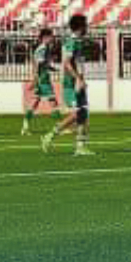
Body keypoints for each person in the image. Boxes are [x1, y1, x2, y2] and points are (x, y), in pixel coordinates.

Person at [41, 14, 93, 156]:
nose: (87, 28)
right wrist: (78, 79)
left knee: (83, 114)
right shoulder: (71, 41)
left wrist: (82, 79)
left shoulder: (79, 41)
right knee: (78, 113)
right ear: (80, 27)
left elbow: (77, 63)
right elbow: (67, 63)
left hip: (79, 82)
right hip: (71, 84)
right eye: (85, 25)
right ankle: (50, 134)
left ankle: (80, 147)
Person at [20, 26, 60, 136]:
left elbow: (41, 63)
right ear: (45, 37)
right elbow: (38, 64)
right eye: (51, 37)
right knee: (53, 101)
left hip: (41, 77)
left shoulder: (44, 48)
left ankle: (25, 127)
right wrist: (36, 79)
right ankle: (59, 127)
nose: (52, 38)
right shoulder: (42, 49)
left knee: (34, 103)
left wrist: (52, 68)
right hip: (43, 78)